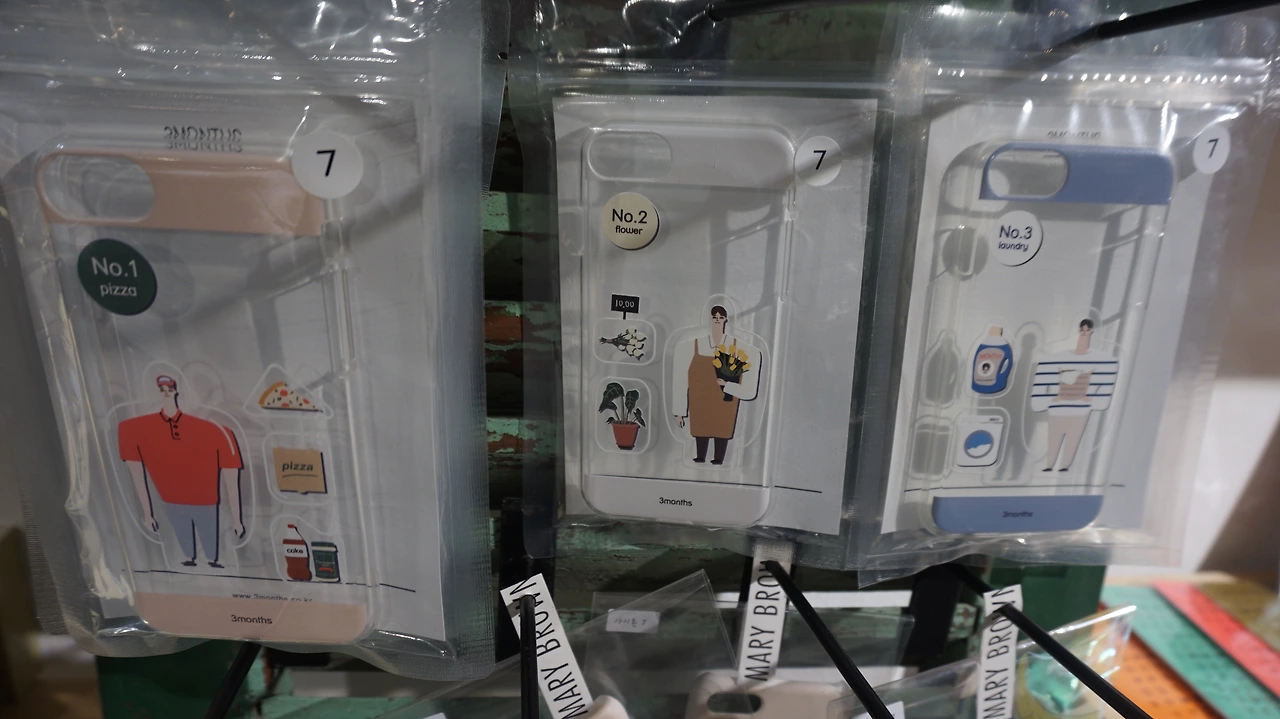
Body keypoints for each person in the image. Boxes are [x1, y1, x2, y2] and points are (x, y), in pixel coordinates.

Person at [118, 375, 245, 568]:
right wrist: (147, 513)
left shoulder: (215, 431)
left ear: (175, 392)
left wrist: (237, 519)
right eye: (162, 390)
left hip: (205, 500)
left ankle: (212, 559)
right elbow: (136, 474)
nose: (166, 393)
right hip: (171, 499)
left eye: (169, 389)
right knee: (182, 532)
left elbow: (231, 477)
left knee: (208, 534)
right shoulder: (135, 429)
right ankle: (190, 557)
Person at [671, 305, 763, 465]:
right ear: (710, 319)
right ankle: (700, 455)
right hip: (700, 400)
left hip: (725, 401)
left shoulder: (738, 347)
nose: (718, 320)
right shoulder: (691, 346)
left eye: (721, 317)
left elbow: (753, 363)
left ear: (726, 319)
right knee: (701, 428)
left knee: (722, 429)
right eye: (715, 317)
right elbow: (680, 379)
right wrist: (679, 411)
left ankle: (719, 458)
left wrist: (729, 386)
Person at [1030, 319, 1119, 472]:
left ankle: (1064, 466)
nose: (1084, 332)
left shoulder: (1105, 361)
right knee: (1054, 440)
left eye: (1087, 330)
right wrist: (1051, 400)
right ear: (1078, 330)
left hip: (1079, 412)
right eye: (1082, 329)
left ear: (1091, 331)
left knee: (1072, 440)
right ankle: (1050, 465)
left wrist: (1090, 400)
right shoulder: (1054, 359)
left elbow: (1104, 396)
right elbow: (1038, 394)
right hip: (1058, 411)